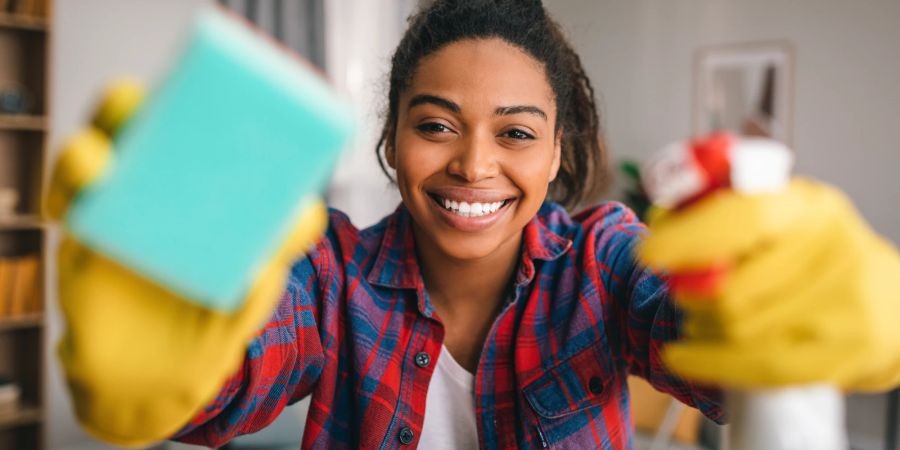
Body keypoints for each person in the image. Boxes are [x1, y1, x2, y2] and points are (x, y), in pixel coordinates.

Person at [53, 0, 900, 449]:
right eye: (435, 124)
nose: (474, 164)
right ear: (392, 138)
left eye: (517, 133)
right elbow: (238, 372)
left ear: (558, 148)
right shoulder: (330, 271)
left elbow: (716, 355)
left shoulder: (601, 260)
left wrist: (804, 313)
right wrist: (184, 383)